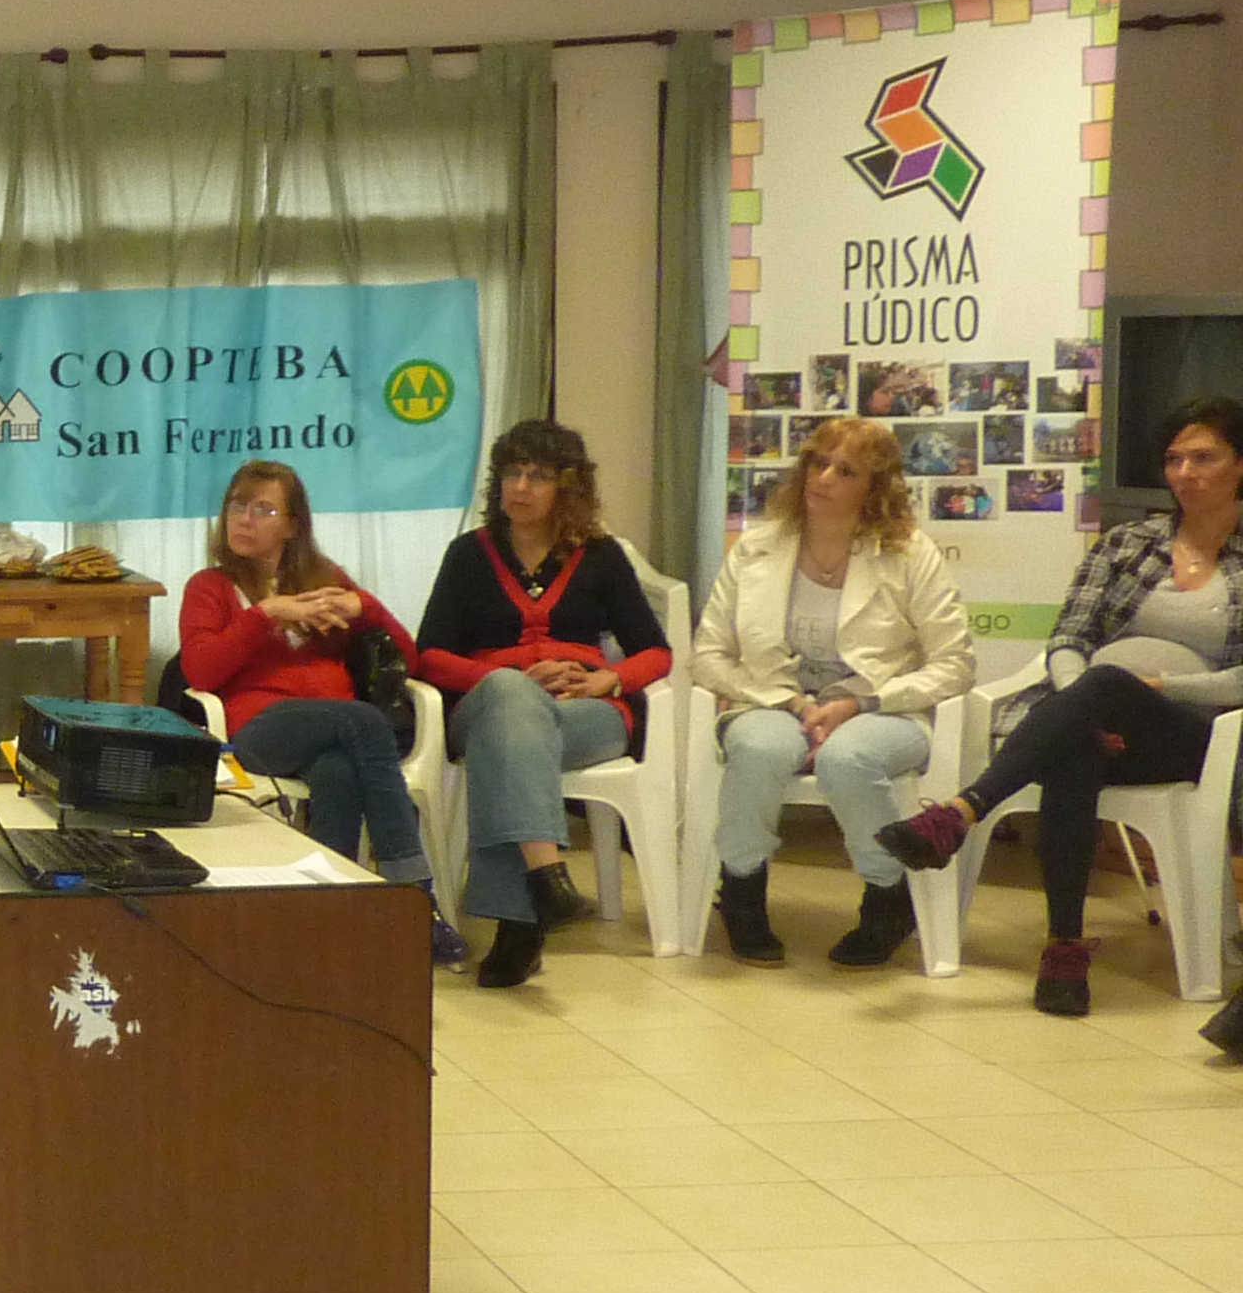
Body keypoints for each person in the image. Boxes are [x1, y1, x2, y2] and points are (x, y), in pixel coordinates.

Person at [879, 395, 1243, 1016]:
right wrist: (1088, 706)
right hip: (1098, 724)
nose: (1184, 473)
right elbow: (1069, 638)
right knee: (1075, 747)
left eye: (1203, 458)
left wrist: (1156, 688)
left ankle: (962, 811)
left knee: (1107, 684)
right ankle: (1064, 951)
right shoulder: (1127, 544)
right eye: (1174, 459)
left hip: (1197, 738)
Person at [691, 417, 973, 970]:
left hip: (882, 706)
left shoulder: (909, 554)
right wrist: (788, 702)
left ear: (875, 487)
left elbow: (955, 664)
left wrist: (862, 704)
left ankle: (887, 896)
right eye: (818, 464)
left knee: (847, 759)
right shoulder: (757, 547)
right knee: (760, 748)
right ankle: (741, 890)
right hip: (773, 699)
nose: (823, 479)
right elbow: (708, 655)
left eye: (846, 472)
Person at [413, 420, 673, 989]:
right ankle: (542, 884)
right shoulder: (468, 554)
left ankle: (520, 923)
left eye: (538, 476)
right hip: (484, 704)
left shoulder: (601, 556)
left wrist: (609, 680)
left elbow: (657, 652)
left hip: (586, 712)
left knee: (509, 741)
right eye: (512, 473)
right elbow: (428, 656)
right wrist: (508, 677)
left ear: (568, 488)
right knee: (510, 704)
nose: (521, 487)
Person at [178, 460, 467, 966]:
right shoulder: (210, 587)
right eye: (237, 506)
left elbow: (409, 660)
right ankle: (416, 900)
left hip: (336, 733)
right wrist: (266, 614)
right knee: (363, 721)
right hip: (259, 731)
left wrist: (365, 608)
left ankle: (330, 918)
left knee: (339, 771)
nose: (244, 519)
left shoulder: (324, 580)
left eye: (263, 510)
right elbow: (199, 672)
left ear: (292, 526)